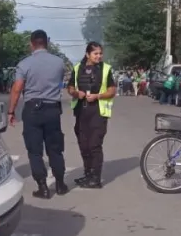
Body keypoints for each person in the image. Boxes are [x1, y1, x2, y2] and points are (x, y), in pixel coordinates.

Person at [7, 30, 69, 199]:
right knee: (55, 149)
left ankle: (42, 187)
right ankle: (61, 184)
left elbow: (17, 88)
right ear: (47, 42)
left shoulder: (24, 64)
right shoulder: (59, 62)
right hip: (52, 109)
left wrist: (11, 111)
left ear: (31, 44)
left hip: (33, 110)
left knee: (35, 151)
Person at [67, 42, 116, 189]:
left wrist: (98, 96)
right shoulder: (77, 68)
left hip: (98, 113)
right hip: (81, 112)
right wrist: (76, 93)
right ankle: (87, 174)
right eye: (96, 53)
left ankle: (96, 179)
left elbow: (112, 91)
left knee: (94, 145)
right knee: (84, 145)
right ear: (87, 54)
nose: (99, 56)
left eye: (100, 53)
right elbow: (70, 88)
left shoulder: (105, 69)